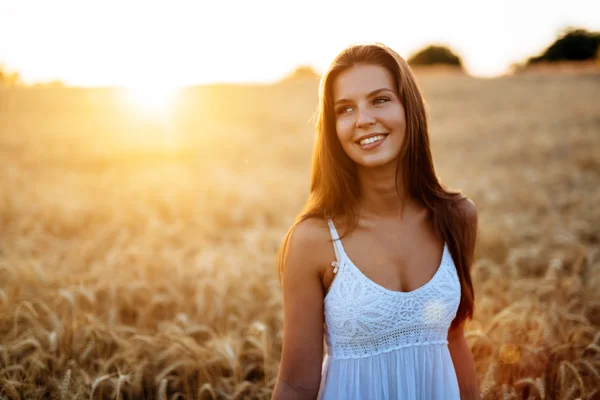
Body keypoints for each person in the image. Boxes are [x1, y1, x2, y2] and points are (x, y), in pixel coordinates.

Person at [271, 42, 480, 400]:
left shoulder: (457, 217)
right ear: (333, 128)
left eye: (380, 100)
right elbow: (295, 382)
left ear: (408, 108)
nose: (363, 119)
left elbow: (453, 339)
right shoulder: (314, 240)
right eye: (345, 109)